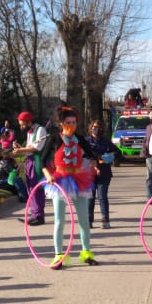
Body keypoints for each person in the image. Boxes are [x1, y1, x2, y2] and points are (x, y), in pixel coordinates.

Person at [41, 106, 98, 268]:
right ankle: (59, 255)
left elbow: (92, 154)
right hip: (60, 181)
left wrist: (94, 164)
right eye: (68, 122)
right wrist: (47, 175)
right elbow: (43, 160)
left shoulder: (80, 138)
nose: (71, 125)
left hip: (79, 180)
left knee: (84, 220)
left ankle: (86, 252)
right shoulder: (54, 139)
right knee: (60, 220)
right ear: (61, 123)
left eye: (74, 122)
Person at [85, 118, 122, 229]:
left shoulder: (105, 141)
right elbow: (81, 154)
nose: (94, 129)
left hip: (104, 173)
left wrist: (109, 157)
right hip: (90, 173)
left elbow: (118, 152)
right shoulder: (86, 141)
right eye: (93, 127)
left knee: (102, 197)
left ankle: (105, 220)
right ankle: (89, 220)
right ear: (90, 128)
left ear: (101, 129)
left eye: (97, 127)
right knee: (90, 197)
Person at [13, 111, 47, 226]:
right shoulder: (29, 132)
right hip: (29, 161)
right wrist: (21, 148)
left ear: (29, 121)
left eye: (22, 124)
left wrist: (21, 150)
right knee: (30, 187)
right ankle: (34, 214)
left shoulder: (40, 130)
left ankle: (39, 215)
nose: (21, 126)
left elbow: (36, 148)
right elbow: (29, 147)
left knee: (36, 187)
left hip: (37, 161)